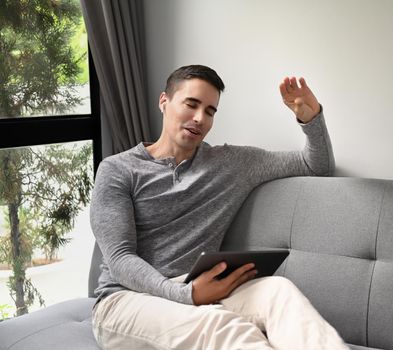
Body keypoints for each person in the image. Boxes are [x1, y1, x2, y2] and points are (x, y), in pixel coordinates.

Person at [90, 64, 347, 349]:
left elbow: (316, 166)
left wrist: (310, 119)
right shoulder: (117, 170)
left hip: (200, 291)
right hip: (125, 301)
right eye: (191, 104)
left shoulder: (231, 164)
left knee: (279, 291)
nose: (200, 118)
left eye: (210, 111)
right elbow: (120, 258)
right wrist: (188, 296)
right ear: (164, 101)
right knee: (220, 326)